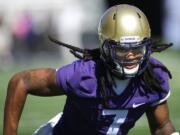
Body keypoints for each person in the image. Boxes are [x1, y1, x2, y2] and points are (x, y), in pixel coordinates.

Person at [3, 4, 179, 135]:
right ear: (105, 47)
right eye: (122, 49)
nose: (131, 56)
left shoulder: (153, 77)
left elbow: (161, 126)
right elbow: (21, 82)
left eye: (137, 48)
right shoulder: (85, 75)